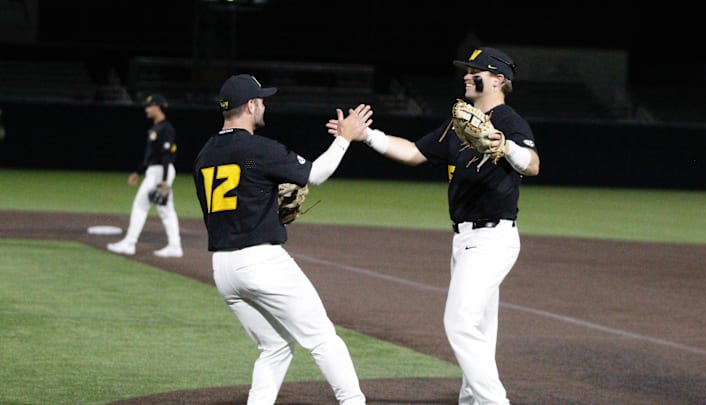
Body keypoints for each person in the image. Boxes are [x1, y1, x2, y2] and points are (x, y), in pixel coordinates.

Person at [328, 47, 540, 404]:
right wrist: (367, 136)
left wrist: (504, 145)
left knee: (458, 323)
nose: (466, 77)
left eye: (475, 72)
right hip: (465, 240)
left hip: (492, 237)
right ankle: (472, 401)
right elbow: (413, 151)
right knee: (480, 331)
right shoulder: (460, 122)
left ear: (498, 79)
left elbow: (532, 164)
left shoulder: (508, 120)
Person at [193, 74, 371, 405]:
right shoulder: (257, 149)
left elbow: (240, 194)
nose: (264, 105)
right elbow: (315, 174)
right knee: (322, 337)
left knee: (274, 346)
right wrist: (345, 138)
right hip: (261, 262)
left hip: (223, 269)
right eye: (261, 100)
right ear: (249, 105)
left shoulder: (205, 154)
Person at [107, 94, 183, 258]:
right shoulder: (155, 128)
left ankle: (129, 243)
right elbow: (152, 156)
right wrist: (138, 171)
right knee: (166, 210)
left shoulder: (166, 128)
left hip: (160, 172)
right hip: (156, 170)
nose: (146, 109)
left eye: (149, 106)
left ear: (157, 107)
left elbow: (166, 155)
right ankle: (175, 246)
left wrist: (163, 180)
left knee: (141, 205)